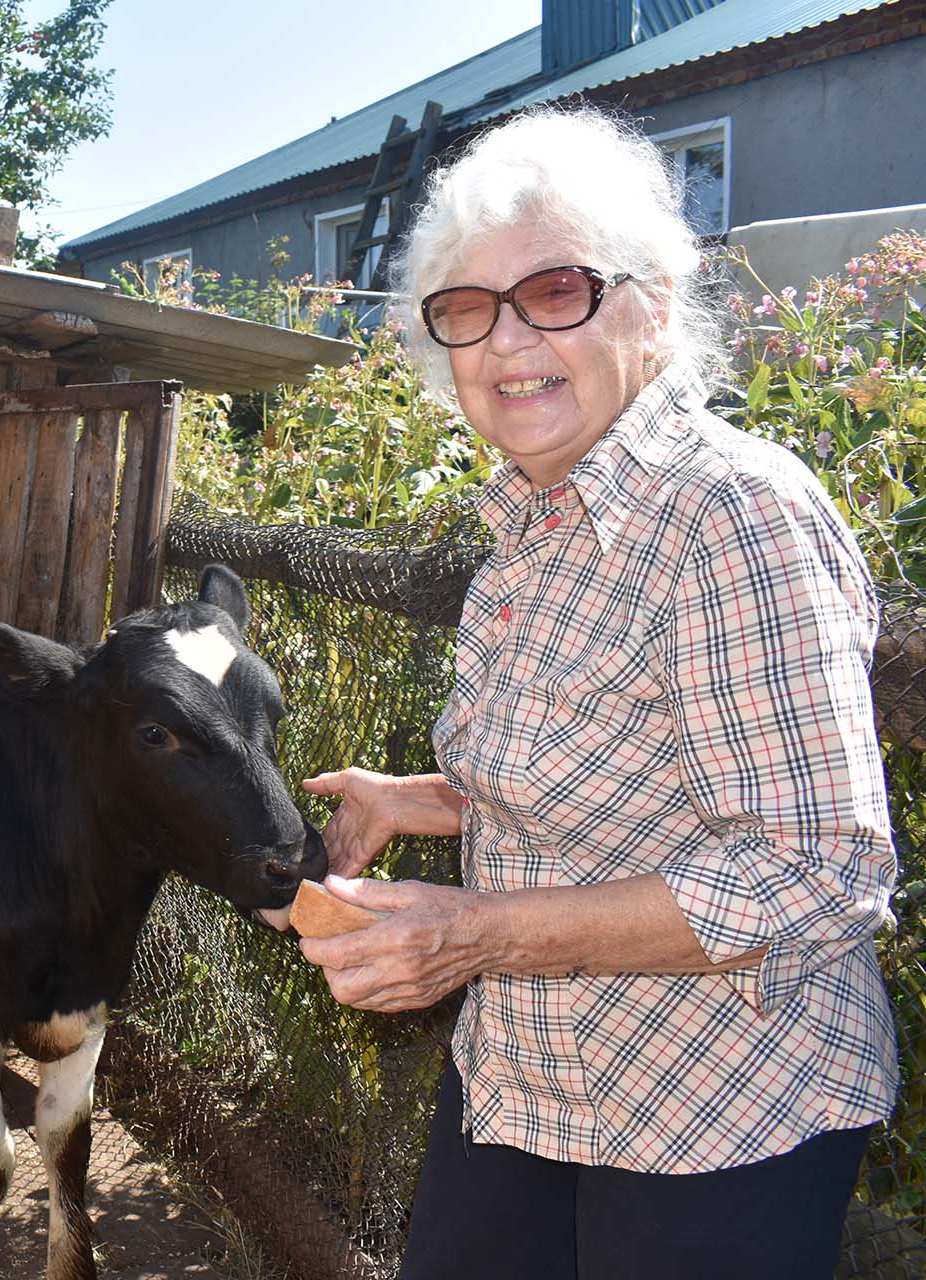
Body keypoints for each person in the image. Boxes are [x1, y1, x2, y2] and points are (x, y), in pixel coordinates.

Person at [265, 107, 898, 1279]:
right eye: (467, 308)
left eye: (555, 288)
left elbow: (820, 870)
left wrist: (471, 933)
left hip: (716, 1107)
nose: (508, 341)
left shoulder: (733, 515)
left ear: (652, 299)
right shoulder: (533, 525)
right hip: (530, 1071)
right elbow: (624, 765)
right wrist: (423, 797)